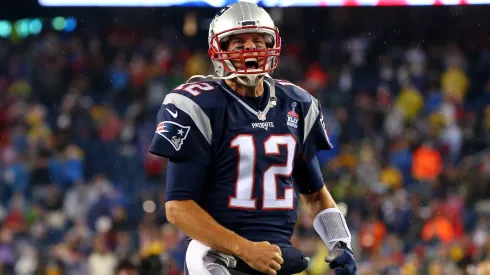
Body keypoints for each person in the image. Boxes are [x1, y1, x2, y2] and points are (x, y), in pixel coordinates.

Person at [149, 2, 357, 275]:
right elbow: (177, 207)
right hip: (216, 254)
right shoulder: (198, 104)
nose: (250, 51)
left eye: (258, 42)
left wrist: (340, 242)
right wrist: (245, 248)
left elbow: (316, 196)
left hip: (276, 256)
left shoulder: (296, 104)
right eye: (238, 45)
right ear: (219, 50)